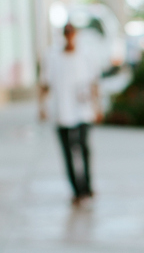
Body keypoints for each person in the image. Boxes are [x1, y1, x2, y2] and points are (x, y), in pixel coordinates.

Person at [38, 22, 101, 205]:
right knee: (67, 152)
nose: (69, 35)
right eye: (66, 32)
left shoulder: (86, 54)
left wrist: (97, 107)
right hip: (61, 111)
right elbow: (44, 83)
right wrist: (41, 107)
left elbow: (94, 82)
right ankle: (77, 190)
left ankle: (87, 186)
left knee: (83, 148)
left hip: (83, 110)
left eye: (72, 32)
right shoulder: (52, 55)